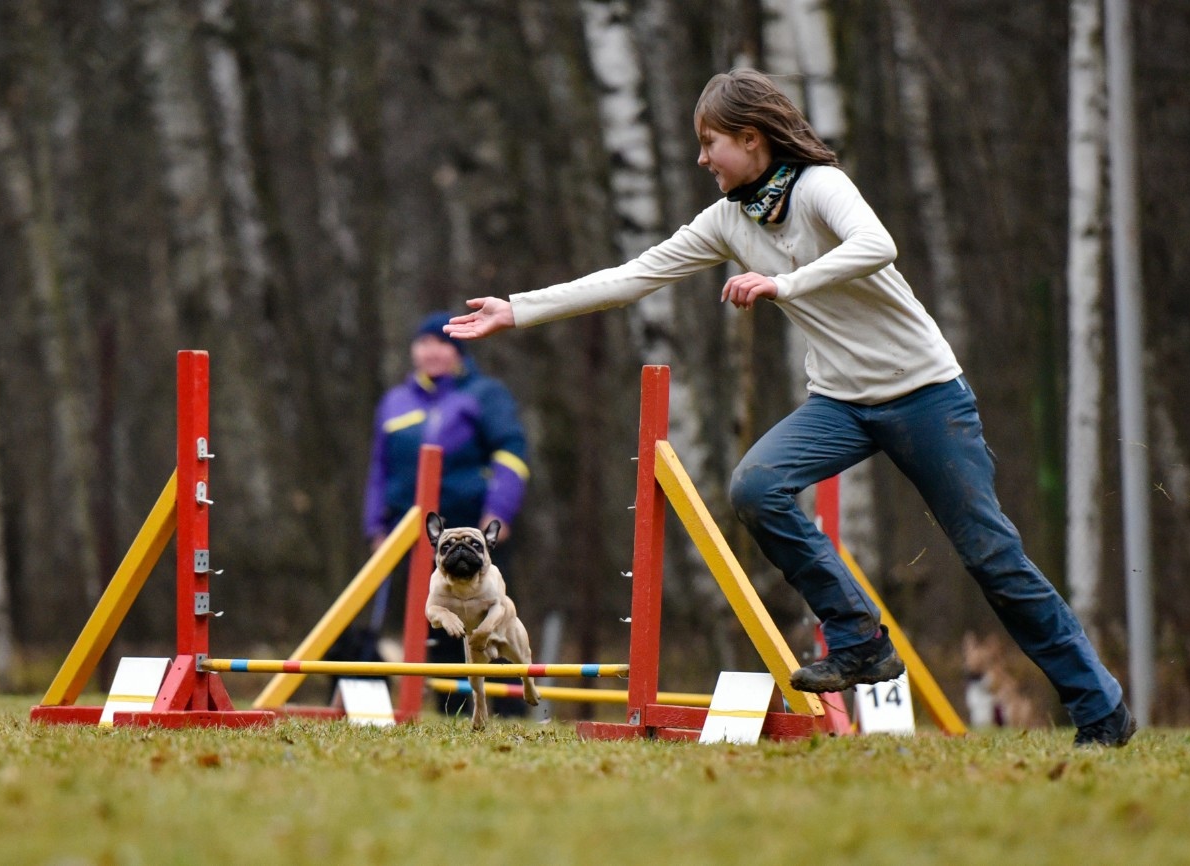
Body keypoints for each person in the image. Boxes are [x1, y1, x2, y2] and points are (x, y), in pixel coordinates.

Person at [443, 69, 1134, 747]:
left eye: (710, 141)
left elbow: (878, 245)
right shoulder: (726, 220)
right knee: (755, 487)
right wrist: (520, 310)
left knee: (992, 557)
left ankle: (1099, 709)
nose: (701, 157)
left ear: (751, 138)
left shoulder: (821, 187)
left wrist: (785, 283)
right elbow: (634, 277)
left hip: (926, 394)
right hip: (839, 401)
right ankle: (859, 639)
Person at [354, 311, 532, 716]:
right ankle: (445, 704)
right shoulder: (395, 401)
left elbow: (512, 454)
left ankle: (506, 709)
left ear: (458, 352)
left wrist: (499, 510)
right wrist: (375, 524)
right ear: (414, 350)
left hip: (471, 530)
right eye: (424, 343)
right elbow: (378, 469)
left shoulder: (485, 395)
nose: (432, 351)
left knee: (488, 616)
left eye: (442, 344)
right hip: (408, 530)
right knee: (429, 620)